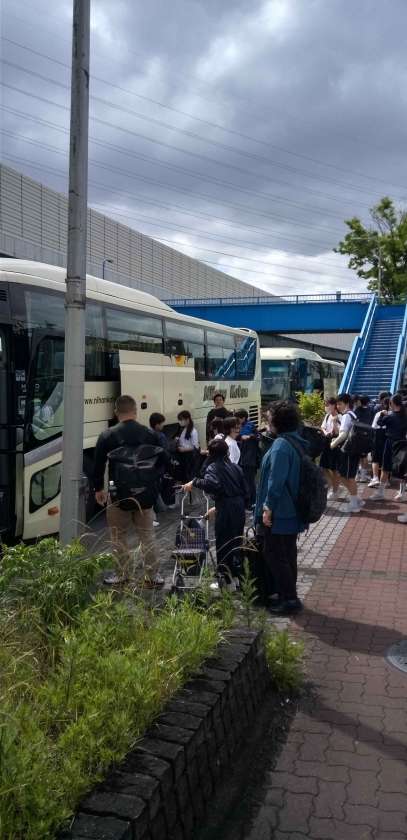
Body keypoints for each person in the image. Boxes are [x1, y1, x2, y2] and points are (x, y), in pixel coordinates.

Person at [94, 395, 165, 587]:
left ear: (116, 412)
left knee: (118, 536)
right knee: (147, 534)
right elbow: (163, 460)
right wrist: (152, 483)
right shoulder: (150, 434)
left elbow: (98, 465)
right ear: (135, 411)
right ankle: (153, 576)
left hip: (118, 495)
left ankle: (122, 574)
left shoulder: (107, 435)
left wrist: (98, 489)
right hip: (145, 495)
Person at [255, 400, 307, 615]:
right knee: (288, 554)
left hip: (280, 512)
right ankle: (288, 595)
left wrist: (267, 508)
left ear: (278, 421)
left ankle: (289, 599)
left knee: (275, 555)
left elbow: (275, 482)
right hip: (291, 510)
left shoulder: (280, 446)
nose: (267, 422)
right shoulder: (294, 440)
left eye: (269, 418)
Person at [182, 438, 248, 586]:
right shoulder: (235, 467)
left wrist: (194, 482)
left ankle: (224, 580)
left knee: (223, 543)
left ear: (210, 453)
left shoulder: (213, 467)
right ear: (227, 452)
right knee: (236, 542)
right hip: (239, 507)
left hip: (227, 508)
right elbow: (245, 490)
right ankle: (237, 578)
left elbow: (212, 484)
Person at [370, 394, 407, 501]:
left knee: (385, 467)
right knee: (402, 469)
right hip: (402, 444)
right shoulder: (405, 416)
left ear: (392, 403)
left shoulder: (390, 416)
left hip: (390, 443)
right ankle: (402, 494)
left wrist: (382, 414)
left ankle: (380, 493)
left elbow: (379, 423)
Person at [330, 393, 362, 513]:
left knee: (347, 477)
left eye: (340, 404)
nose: (338, 406)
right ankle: (356, 499)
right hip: (355, 449)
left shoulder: (346, 416)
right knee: (347, 476)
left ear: (347, 404)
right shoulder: (353, 414)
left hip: (348, 450)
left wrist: (333, 444)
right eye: (337, 404)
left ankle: (354, 504)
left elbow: (343, 435)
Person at [235, 408, 259, 509]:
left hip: (249, 460)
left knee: (249, 482)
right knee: (244, 481)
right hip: (242, 459)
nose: (236, 420)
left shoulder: (249, 426)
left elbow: (257, 436)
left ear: (243, 418)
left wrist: (248, 437)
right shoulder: (239, 426)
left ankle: (252, 502)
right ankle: (247, 502)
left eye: (238, 418)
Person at [320, 397, 341, 499]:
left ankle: (335, 491)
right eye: (325, 405)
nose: (326, 407)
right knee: (323, 466)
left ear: (333, 405)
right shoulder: (327, 415)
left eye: (327, 405)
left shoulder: (340, 417)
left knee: (334, 469)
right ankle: (334, 485)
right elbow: (322, 427)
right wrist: (325, 432)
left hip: (335, 443)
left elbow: (339, 432)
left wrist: (334, 423)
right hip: (327, 442)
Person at [368, 397, 390, 488]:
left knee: (375, 459)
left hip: (378, 437)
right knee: (386, 459)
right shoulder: (393, 414)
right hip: (388, 438)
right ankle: (386, 480)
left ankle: (375, 478)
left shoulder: (379, 413)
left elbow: (373, 426)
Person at [176, 410, 200, 484]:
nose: (180, 422)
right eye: (179, 420)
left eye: (181, 420)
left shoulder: (193, 431)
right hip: (184, 455)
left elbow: (195, 447)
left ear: (187, 419)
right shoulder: (183, 429)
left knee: (189, 473)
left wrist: (184, 449)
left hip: (189, 456)